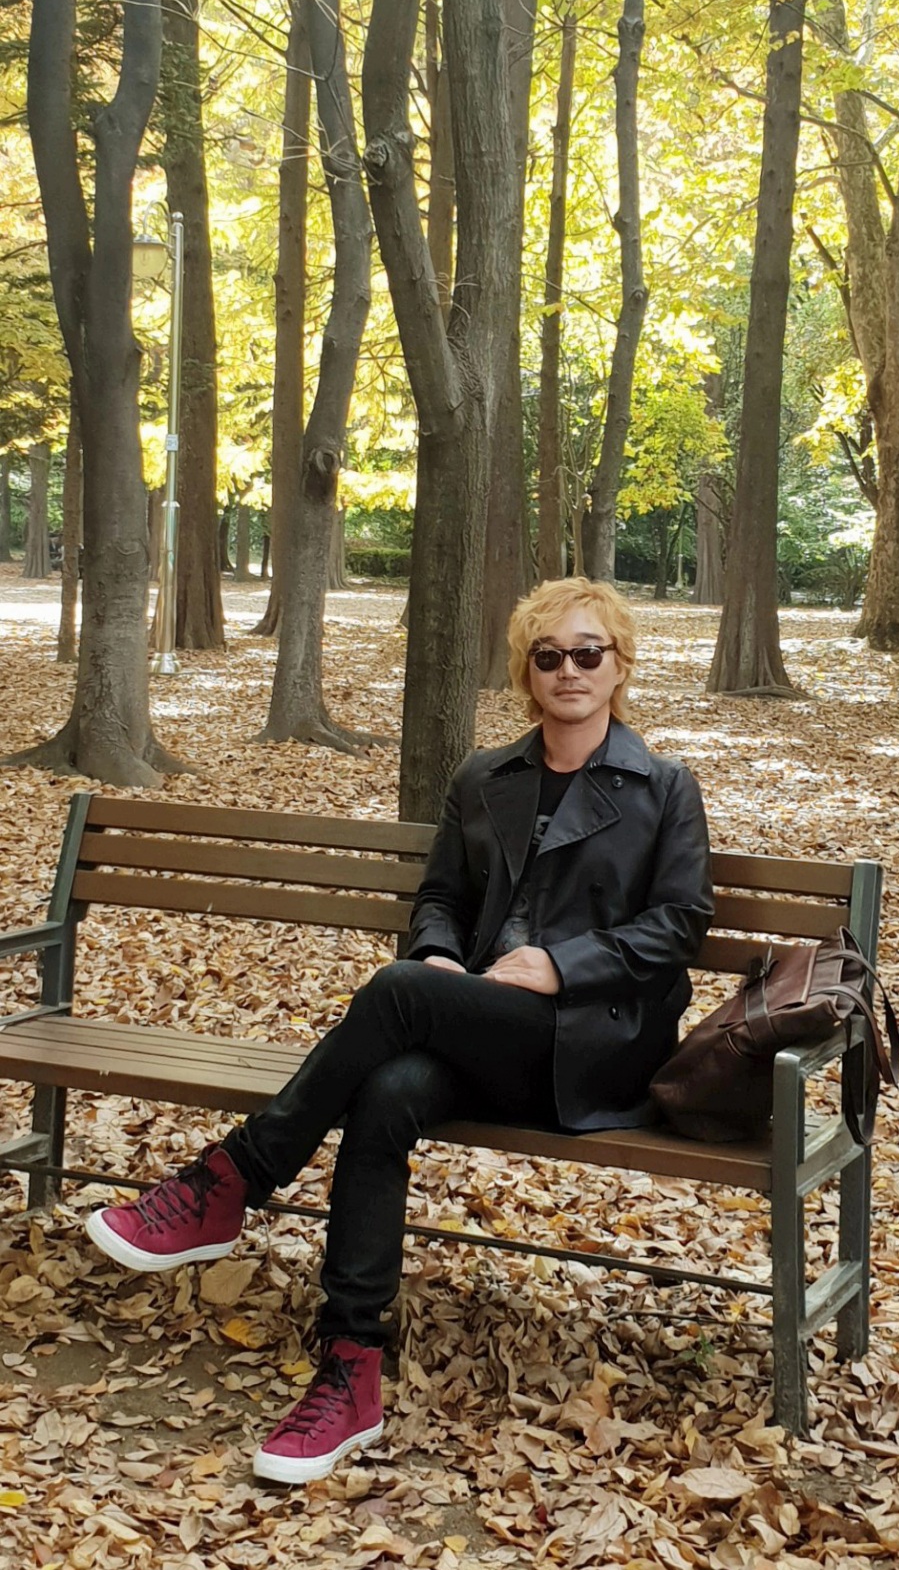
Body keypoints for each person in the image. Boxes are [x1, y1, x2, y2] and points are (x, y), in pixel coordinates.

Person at [85, 577, 713, 1486]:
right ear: (527, 672)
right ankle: (352, 1369)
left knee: (397, 994)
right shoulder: (484, 778)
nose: (569, 670)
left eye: (589, 653)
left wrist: (561, 965)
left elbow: (680, 924)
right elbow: (441, 898)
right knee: (387, 1091)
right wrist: (442, 955)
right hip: (480, 1024)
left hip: (591, 1046)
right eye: (549, 655)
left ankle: (234, 1178)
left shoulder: (663, 787)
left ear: (619, 666)